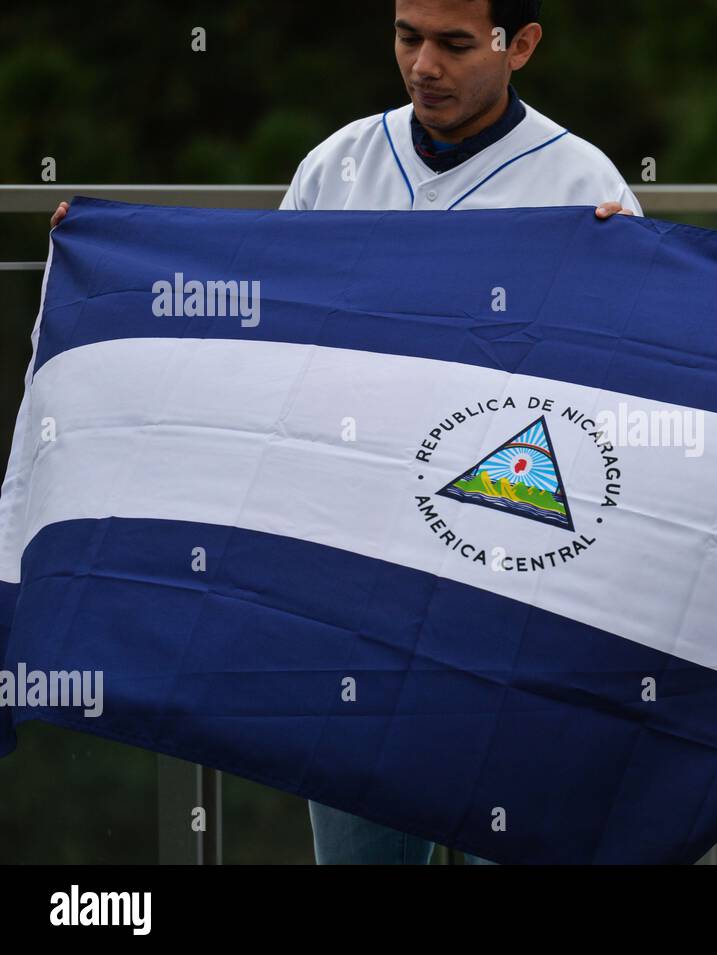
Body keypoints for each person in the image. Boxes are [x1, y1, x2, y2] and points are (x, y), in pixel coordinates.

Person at [54, 0, 641, 865]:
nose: (423, 66)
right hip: (357, 592)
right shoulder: (339, 165)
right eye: (408, 38)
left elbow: (640, 393)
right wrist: (112, 270)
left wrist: (630, 277)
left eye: (453, 43)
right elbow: (258, 335)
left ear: (521, 45)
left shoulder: (583, 186)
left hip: (510, 595)